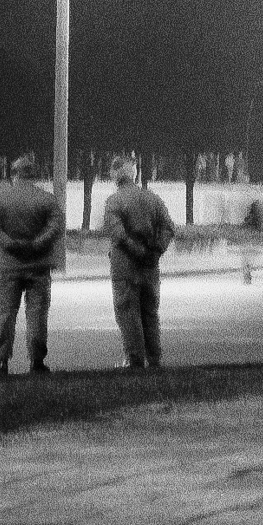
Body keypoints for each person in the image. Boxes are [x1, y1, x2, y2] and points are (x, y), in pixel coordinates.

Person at [0, 152, 62, 377]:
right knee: (37, 313)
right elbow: (55, 227)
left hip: (9, 264)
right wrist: (36, 244)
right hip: (38, 265)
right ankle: (36, 361)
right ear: (33, 174)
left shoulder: (0, 198)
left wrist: (11, 245)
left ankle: (1, 361)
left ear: (14, 173)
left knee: (6, 313)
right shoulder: (47, 199)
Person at [101, 158, 176, 368]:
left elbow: (118, 234)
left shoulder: (114, 201)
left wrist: (138, 252)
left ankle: (134, 360)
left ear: (118, 175)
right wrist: (156, 251)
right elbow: (169, 228)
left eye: (111, 172)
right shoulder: (153, 198)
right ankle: (154, 359)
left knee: (128, 311)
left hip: (125, 265)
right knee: (150, 312)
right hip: (151, 266)